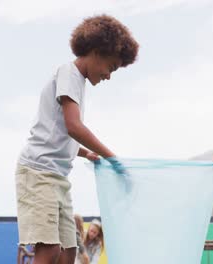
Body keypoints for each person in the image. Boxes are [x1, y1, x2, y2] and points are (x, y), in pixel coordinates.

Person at [15, 14, 139, 264]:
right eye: (111, 67)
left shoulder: (78, 83)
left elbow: (60, 132)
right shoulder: (68, 74)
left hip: (57, 177)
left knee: (69, 251)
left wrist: (85, 153)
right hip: (38, 173)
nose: (109, 75)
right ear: (96, 52)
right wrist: (110, 156)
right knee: (49, 251)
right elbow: (73, 126)